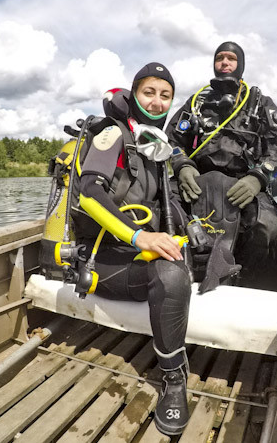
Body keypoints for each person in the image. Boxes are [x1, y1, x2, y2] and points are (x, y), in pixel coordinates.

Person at [70, 62, 191, 436]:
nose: (156, 101)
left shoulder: (151, 142)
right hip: (101, 261)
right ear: (134, 94)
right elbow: (90, 193)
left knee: (188, 257)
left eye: (165, 95)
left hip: (131, 257)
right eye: (149, 92)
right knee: (172, 276)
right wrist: (142, 238)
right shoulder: (114, 134)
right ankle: (174, 380)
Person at [167, 41, 277, 289]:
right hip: (196, 182)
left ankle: (244, 278)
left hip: (244, 184)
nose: (224, 62)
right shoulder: (196, 103)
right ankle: (175, 273)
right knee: (160, 207)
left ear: (240, 65)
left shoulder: (259, 103)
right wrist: (182, 165)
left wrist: (259, 177)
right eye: (220, 58)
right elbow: (170, 140)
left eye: (231, 58)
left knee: (266, 227)